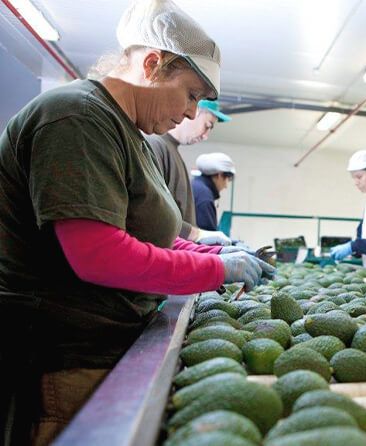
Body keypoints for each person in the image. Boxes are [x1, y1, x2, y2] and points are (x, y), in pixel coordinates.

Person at [0, 1, 272, 444]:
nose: (190, 113)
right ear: (152, 64)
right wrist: (214, 270)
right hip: (63, 356)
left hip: (102, 344)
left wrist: (215, 253)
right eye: (190, 94)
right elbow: (98, 255)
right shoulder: (76, 117)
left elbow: (153, 237)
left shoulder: (129, 134)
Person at [145, 99, 234, 245]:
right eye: (207, 125)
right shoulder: (155, 145)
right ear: (194, 110)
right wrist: (196, 234)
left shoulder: (171, 150)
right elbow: (154, 213)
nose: (205, 136)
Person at [192, 152, 235, 231]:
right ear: (220, 175)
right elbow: (207, 236)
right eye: (227, 179)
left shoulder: (195, 185)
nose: (226, 186)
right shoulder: (204, 197)